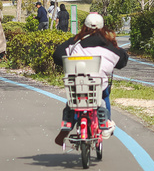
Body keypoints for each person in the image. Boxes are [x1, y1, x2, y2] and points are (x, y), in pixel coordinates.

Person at [52, 12, 127, 145]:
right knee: (104, 95)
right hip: (98, 85)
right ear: (102, 27)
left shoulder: (75, 42)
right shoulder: (109, 45)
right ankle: (105, 120)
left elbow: (57, 55)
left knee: (74, 101)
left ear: (84, 26)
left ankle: (68, 122)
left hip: (76, 85)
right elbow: (122, 61)